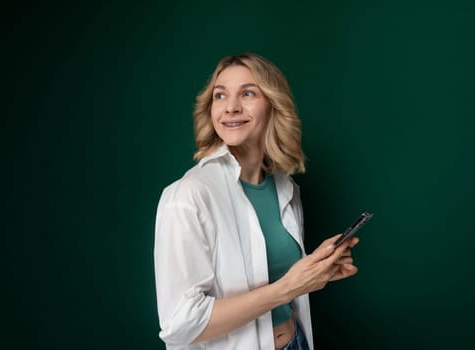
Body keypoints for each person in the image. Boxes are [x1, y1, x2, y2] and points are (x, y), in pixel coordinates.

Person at [154, 53, 360, 350]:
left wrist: (316, 271)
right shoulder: (188, 195)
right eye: (220, 95)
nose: (231, 107)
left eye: (248, 93)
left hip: (296, 342)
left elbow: (272, 275)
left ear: (273, 105)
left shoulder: (285, 188)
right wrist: (289, 286)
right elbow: (180, 324)